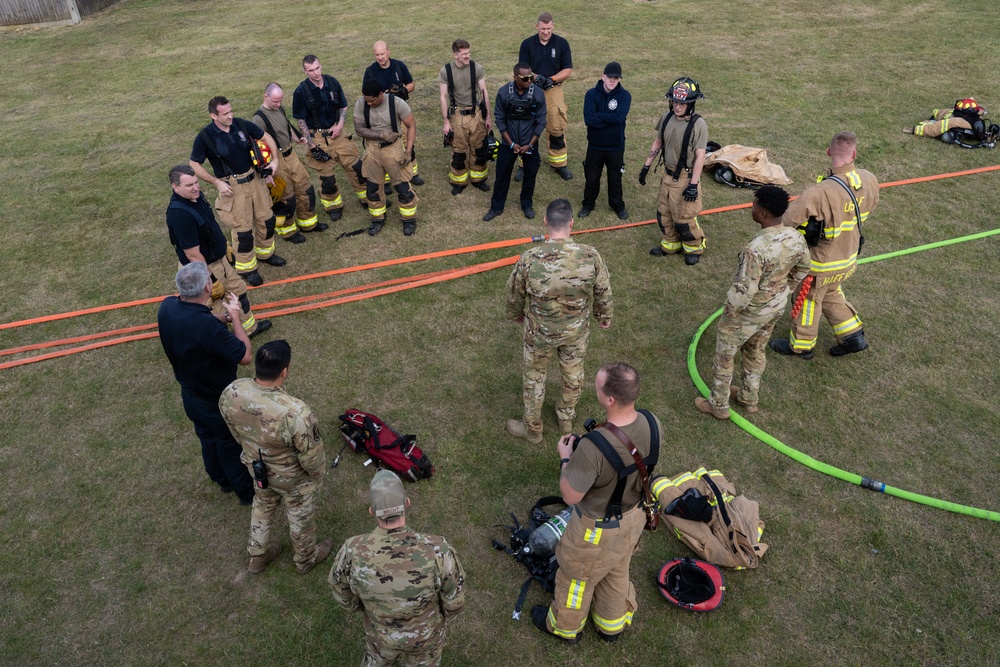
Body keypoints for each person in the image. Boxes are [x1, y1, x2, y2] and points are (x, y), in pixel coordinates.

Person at [532, 362, 662, 643]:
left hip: (596, 530)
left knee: (576, 578)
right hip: (635, 518)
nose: (596, 390)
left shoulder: (593, 447)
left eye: (598, 387)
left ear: (610, 399)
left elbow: (570, 496)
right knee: (617, 568)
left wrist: (566, 457)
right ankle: (611, 626)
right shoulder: (653, 422)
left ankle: (565, 628)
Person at [694, 186, 810, 419]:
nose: (751, 207)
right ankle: (749, 398)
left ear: (764, 214)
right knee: (756, 350)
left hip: (749, 312)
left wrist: (730, 312)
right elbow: (805, 266)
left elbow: (745, 291)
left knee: (725, 357)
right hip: (774, 308)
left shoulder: (755, 250)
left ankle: (718, 405)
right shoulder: (795, 237)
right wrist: (786, 288)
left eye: (754, 205)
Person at [219, 340, 333, 575]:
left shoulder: (232, 392)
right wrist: (317, 475)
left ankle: (257, 557)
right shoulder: (296, 413)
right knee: (300, 515)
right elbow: (312, 458)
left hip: (257, 468)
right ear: (284, 371)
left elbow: (234, 431)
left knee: (262, 505)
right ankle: (306, 559)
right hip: (292, 479)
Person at [329, 470, 466, 666]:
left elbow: (343, 596)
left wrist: (366, 608)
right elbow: (455, 604)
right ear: (407, 504)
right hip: (426, 639)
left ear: (372, 511)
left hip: (381, 637)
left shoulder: (351, 552)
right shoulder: (438, 550)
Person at [506, 199, 613, 443]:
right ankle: (566, 416)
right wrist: (603, 316)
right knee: (573, 374)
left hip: (539, 333)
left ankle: (533, 429)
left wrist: (515, 314)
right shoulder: (590, 255)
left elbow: (514, 293)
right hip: (576, 332)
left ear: (545, 222)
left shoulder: (530, 258)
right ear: (571, 223)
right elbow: (603, 291)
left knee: (534, 376)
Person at [769, 132, 879, 359]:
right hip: (848, 259)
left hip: (822, 263)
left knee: (809, 298)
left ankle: (801, 345)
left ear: (829, 152)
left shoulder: (819, 192)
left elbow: (788, 221)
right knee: (830, 293)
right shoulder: (869, 179)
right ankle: (853, 337)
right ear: (855, 154)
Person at [157, 262, 256, 506]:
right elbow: (245, 355)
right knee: (229, 445)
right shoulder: (209, 329)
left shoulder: (167, 307)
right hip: (217, 399)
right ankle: (245, 493)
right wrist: (234, 318)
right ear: (207, 287)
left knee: (206, 437)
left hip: (190, 394)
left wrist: (220, 318)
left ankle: (220, 479)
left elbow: (196, 318)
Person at [189, 96, 286, 287]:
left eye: (231, 111)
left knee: (267, 219)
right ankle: (247, 268)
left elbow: (265, 137)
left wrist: (274, 160)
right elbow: (194, 164)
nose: (230, 116)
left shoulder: (241, 125)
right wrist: (216, 182)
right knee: (243, 230)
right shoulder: (206, 137)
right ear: (213, 115)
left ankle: (266, 253)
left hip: (255, 180)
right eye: (225, 114)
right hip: (232, 187)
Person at [166, 164, 270, 337]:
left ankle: (249, 329)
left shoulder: (196, 197)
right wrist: (211, 280)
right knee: (214, 307)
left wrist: (224, 246)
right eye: (189, 185)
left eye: (196, 182)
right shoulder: (180, 216)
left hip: (219, 260)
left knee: (238, 293)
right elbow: (192, 254)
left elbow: (209, 226)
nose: (196, 188)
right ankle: (220, 339)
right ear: (175, 187)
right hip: (204, 269)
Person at [640, 77, 709, 265]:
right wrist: (646, 165)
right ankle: (670, 245)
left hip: (685, 178)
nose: (677, 106)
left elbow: (700, 156)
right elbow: (658, 141)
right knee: (664, 213)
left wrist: (693, 185)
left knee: (683, 217)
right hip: (667, 176)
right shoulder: (667, 117)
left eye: (682, 103)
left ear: (691, 104)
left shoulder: (698, 125)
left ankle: (694, 247)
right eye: (675, 102)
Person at [293, 55, 367, 222]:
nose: (316, 73)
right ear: (305, 71)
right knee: (327, 178)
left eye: (317, 68)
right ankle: (333, 206)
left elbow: (343, 106)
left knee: (357, 168)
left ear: (321, 66)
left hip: (337, 132)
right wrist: (312, 146)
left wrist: (340, 124)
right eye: (311, 70)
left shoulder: (332, 82)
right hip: (317, 137)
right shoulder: (300, 92)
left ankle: (367, 198)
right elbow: (301, 121)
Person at [252, 82, 327, 243]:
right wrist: (267, 171)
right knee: (285, 196)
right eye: (275, 101)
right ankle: (288, 231)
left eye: (280, 101)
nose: (278, 104)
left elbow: (285, 127)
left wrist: (296, 137)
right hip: (276, 160)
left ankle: (309, 223)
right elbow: (259, 148)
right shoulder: (259, 119)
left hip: (291, 155)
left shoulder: (279, 108)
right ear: (265, 96)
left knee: (304, 187)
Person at [353, 79, 419, 237]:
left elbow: (411, 126)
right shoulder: (361, 103)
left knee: (402, 188)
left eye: (372, 100)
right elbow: (359, 129)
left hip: (393, 151)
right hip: (372, 151)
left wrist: (408, 151)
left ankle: (409, 220)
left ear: (381, 94)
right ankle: (377, 219)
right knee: (373, 190)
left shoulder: (397, 103)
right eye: (366, 100)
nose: (369, 104)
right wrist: (381, 135)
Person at [483, 63, 547, 222]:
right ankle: (496, 207)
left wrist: (530, 144)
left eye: (531, 77)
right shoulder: (504, 93)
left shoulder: (538, 94)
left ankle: (527, 205)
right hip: (508, 144)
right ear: (515, 77)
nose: (529, 81)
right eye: (525, 78)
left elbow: (541, 122)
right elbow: (500, 119)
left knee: (530, 175)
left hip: (529, 143)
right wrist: (511, 144)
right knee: (502, 175)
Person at [518, 11, 573, 180]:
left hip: (553, 90)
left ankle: (559, 164)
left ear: (553, 26)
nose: (546, 32)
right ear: (537, 27)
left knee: (556, 126)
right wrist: (536, 78)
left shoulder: (562, 43)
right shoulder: (527, 44)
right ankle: (524, 164)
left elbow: (568, 70)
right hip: (530, 89)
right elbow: (522, 69)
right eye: (543, 28)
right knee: (526, 126)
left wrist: (552, 79)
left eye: (549, 28)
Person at [364, 40, 424, 186]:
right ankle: (385, 180)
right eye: (377, 55)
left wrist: (403, 90)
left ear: (389, 52)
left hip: (400, 112)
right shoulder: (370, 72)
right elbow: (366, 94)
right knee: (385, 146)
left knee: (406, 142)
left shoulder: (399, 66)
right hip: (381, 116)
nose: (380, 57)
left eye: (382, 54)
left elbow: (411, 84)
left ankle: (412, 173)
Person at [438, 39, 492, 196]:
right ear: (455, 55)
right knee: (459, 151)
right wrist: (446, 121)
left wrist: (487, 116)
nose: (468, 56)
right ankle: (459, 181)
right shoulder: (446, 71)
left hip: (476, 114)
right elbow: (443, 96)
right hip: (457, 115)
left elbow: (484, 92)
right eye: (464, 54)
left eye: (469, 53)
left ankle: (479, 179)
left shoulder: (477, 68)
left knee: (479, 149)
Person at [580, 62, 632, 220]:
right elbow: (589, 120)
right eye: (610, 77)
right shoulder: (591, 94)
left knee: (615, 179)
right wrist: (609, 119)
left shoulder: (625, 96)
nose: (612, 80)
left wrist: (599, 116)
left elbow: (619, 117)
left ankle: (617, 205)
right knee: (592, 177)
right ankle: (588, 205)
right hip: (595, 145)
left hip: (615, 146)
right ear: (603, 77)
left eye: (616, 78)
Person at [903, 98, 998, 147]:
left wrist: (914, 130)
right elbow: (940, 113)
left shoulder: (955, 120)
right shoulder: (975, 117)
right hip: (973, 131)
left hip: (961, 129)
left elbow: (937, 127)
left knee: (946, 137)